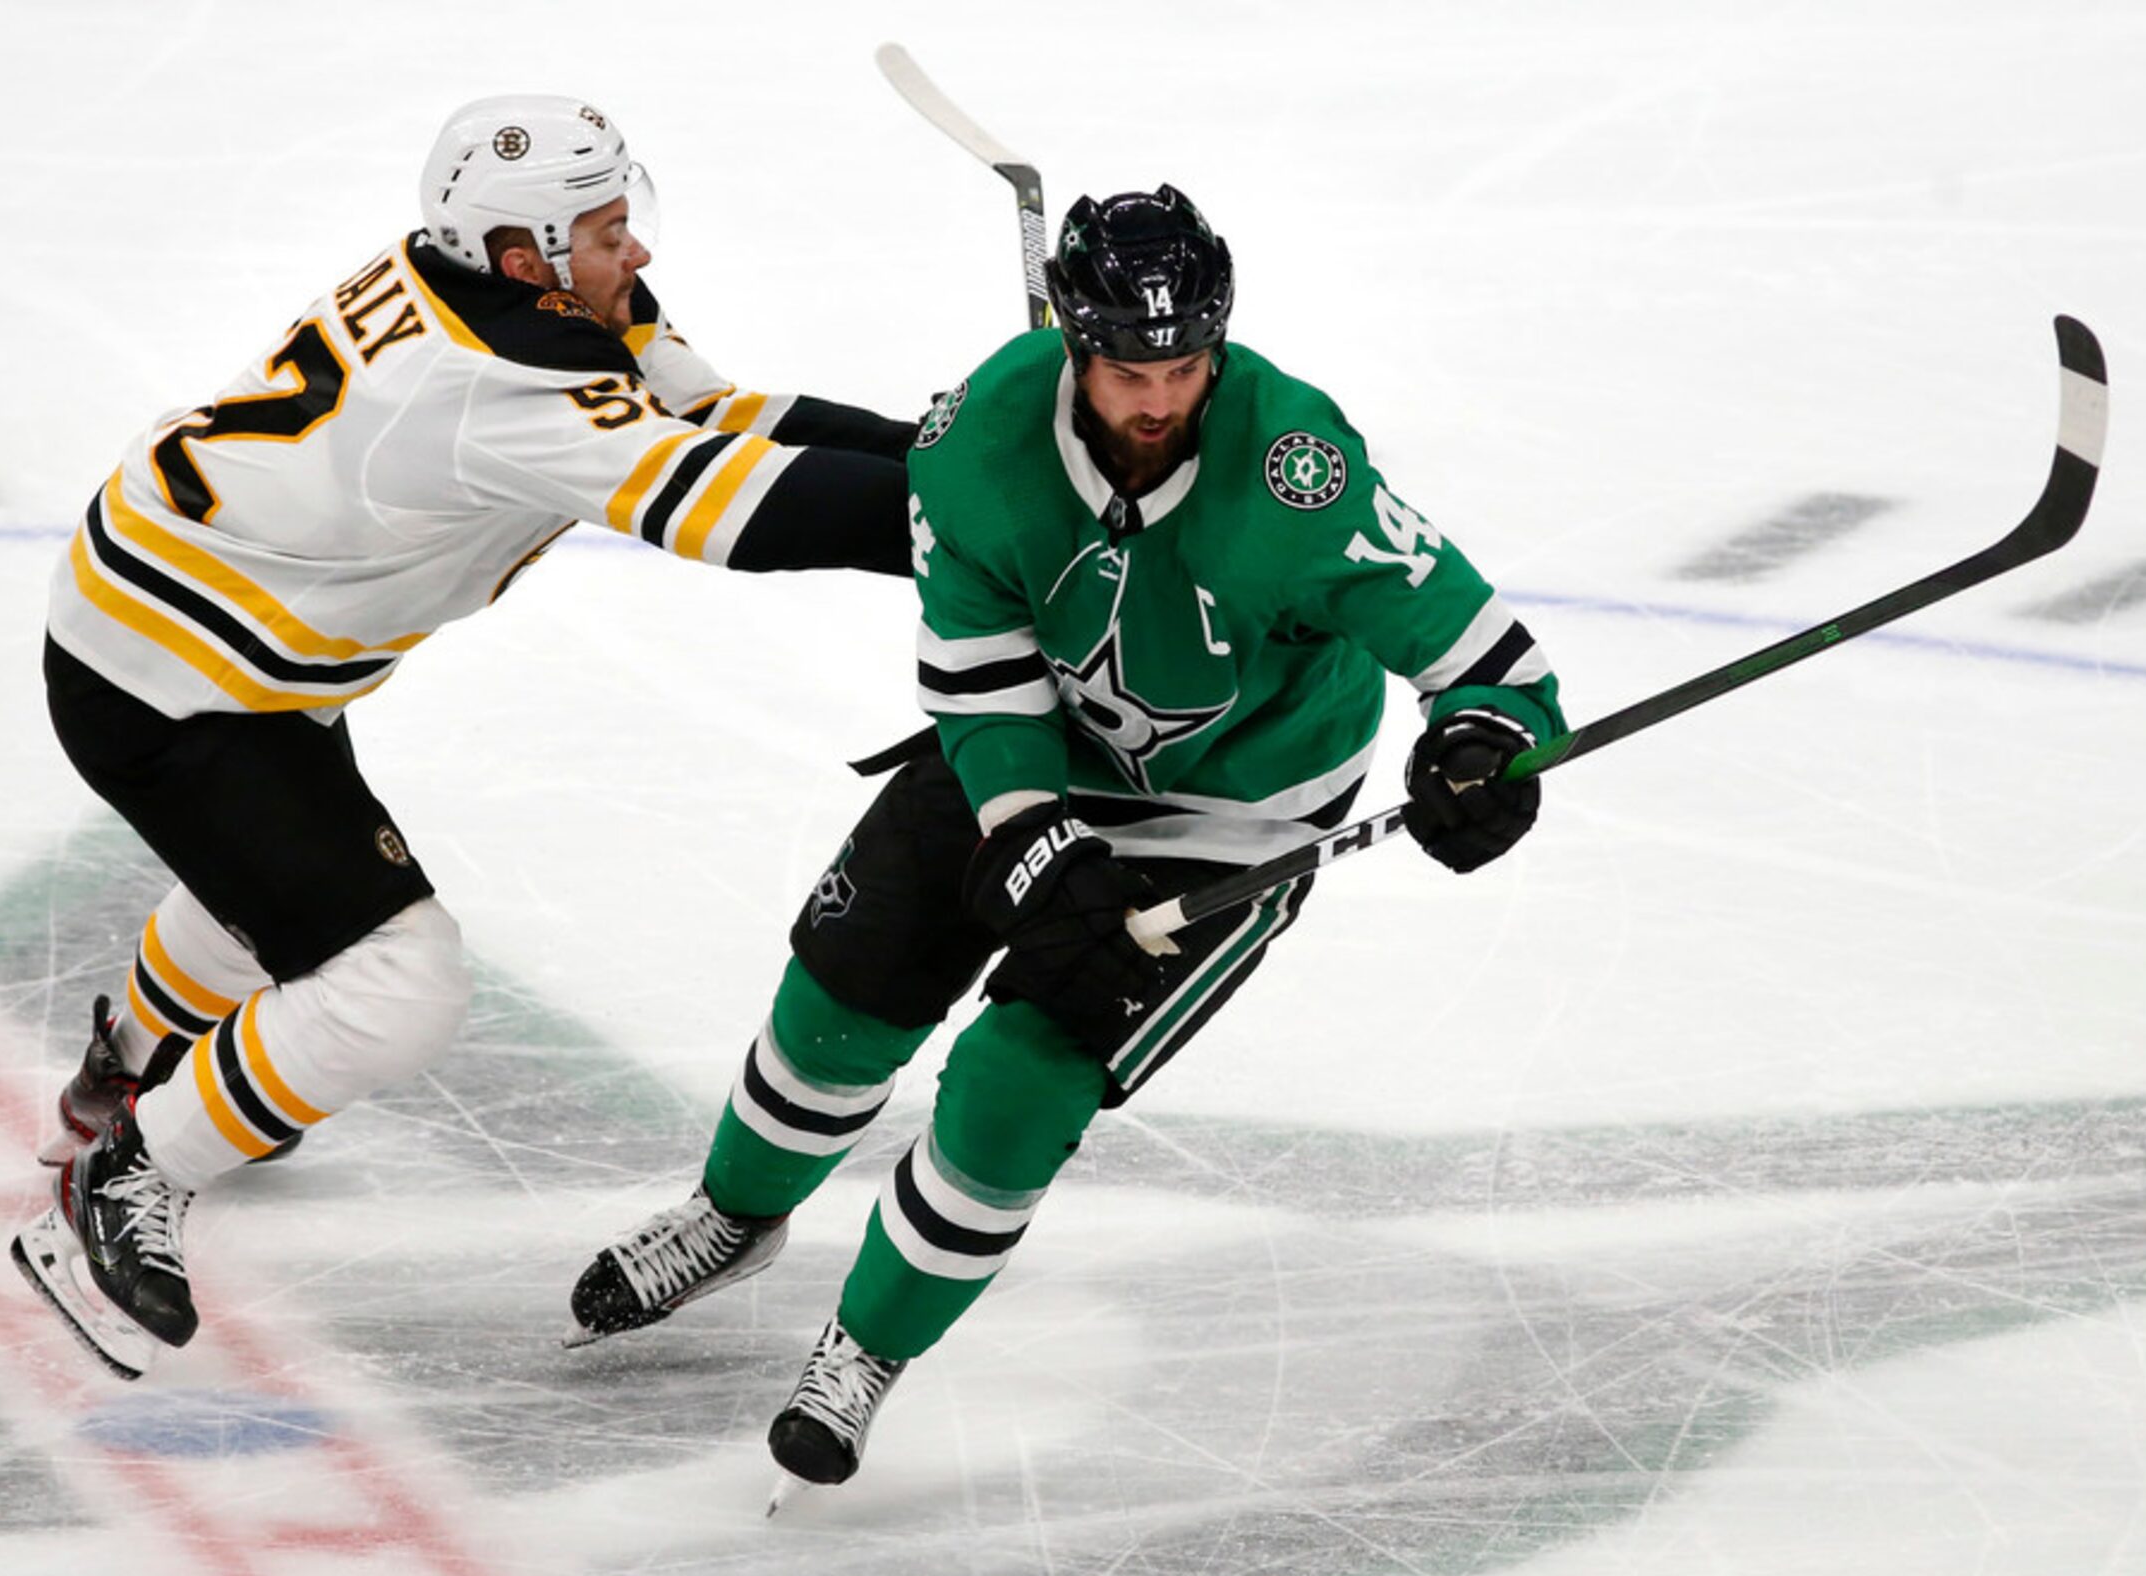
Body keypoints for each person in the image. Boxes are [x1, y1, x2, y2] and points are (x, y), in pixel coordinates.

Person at [566, 184, 1565, 1497]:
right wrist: (1036, 840)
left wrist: (1483, 749)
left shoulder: (1297, 468)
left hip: (1230, 824)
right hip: (1031, 753)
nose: (1157, 402)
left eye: (1185, 368)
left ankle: (865, 1348)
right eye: (1126, 372)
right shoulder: (974, 446)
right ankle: (735, 1218)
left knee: (1017, 1079)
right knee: (842, 989)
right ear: (1071, 342)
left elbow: (1484, 655)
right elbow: (978, 686)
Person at [12, 94, 920, 1381]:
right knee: (397, 983)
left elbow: (715, 419)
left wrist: (936, 449)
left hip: (199, 626)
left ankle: (130, 1069)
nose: (639, 254)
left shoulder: (519, 303)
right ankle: (117, 1179)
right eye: (610, 231)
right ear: (523, 256)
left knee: (277, 885)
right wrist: (1000, 522)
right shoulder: (492, 381)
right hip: (168, 683)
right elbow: (736, 511)